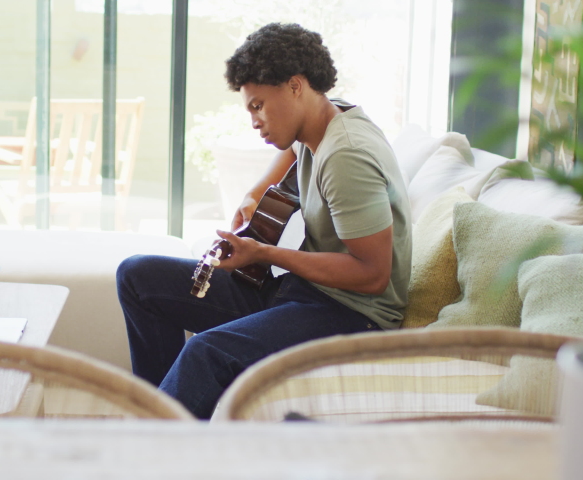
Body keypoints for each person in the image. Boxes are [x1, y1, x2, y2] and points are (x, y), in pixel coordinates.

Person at [116, 22, 411, 419]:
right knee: (138, 277)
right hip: (304, 292)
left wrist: (264, 252)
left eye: (258, 105)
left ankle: (149, 457)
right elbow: (292, 153)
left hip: (354, 315)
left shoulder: (346, 156)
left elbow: (373, 274)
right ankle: (159, 420)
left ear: (295, 86)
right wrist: (256, 192)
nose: (254, 120)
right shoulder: (327, 114)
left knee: (206, 351)